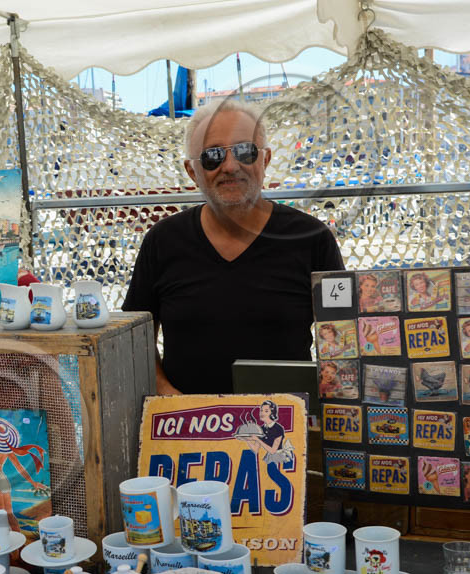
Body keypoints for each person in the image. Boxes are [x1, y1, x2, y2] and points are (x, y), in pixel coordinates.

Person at [125, 101, 345, 395]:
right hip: (187, 428)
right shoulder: (162, 241)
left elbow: (344, 339)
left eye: (245, 151)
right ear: (193, 172)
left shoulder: (313, 238)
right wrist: (167, 393)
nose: (230, 166)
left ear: (264, 160)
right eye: (212, 156)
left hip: (287, 426)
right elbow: (134, 340)